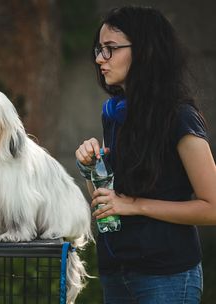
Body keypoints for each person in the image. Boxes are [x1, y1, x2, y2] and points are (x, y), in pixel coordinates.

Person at [75, 6, 216, 303]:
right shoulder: (114, 114)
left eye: (111, 49)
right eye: (99, 49)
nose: (100, 58)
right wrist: (91, 167)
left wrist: (134, 205)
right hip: (117, 272)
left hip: (166, 277)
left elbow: (212, 208)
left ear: (145, 51)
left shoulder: (180, 117)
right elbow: (108, 200)